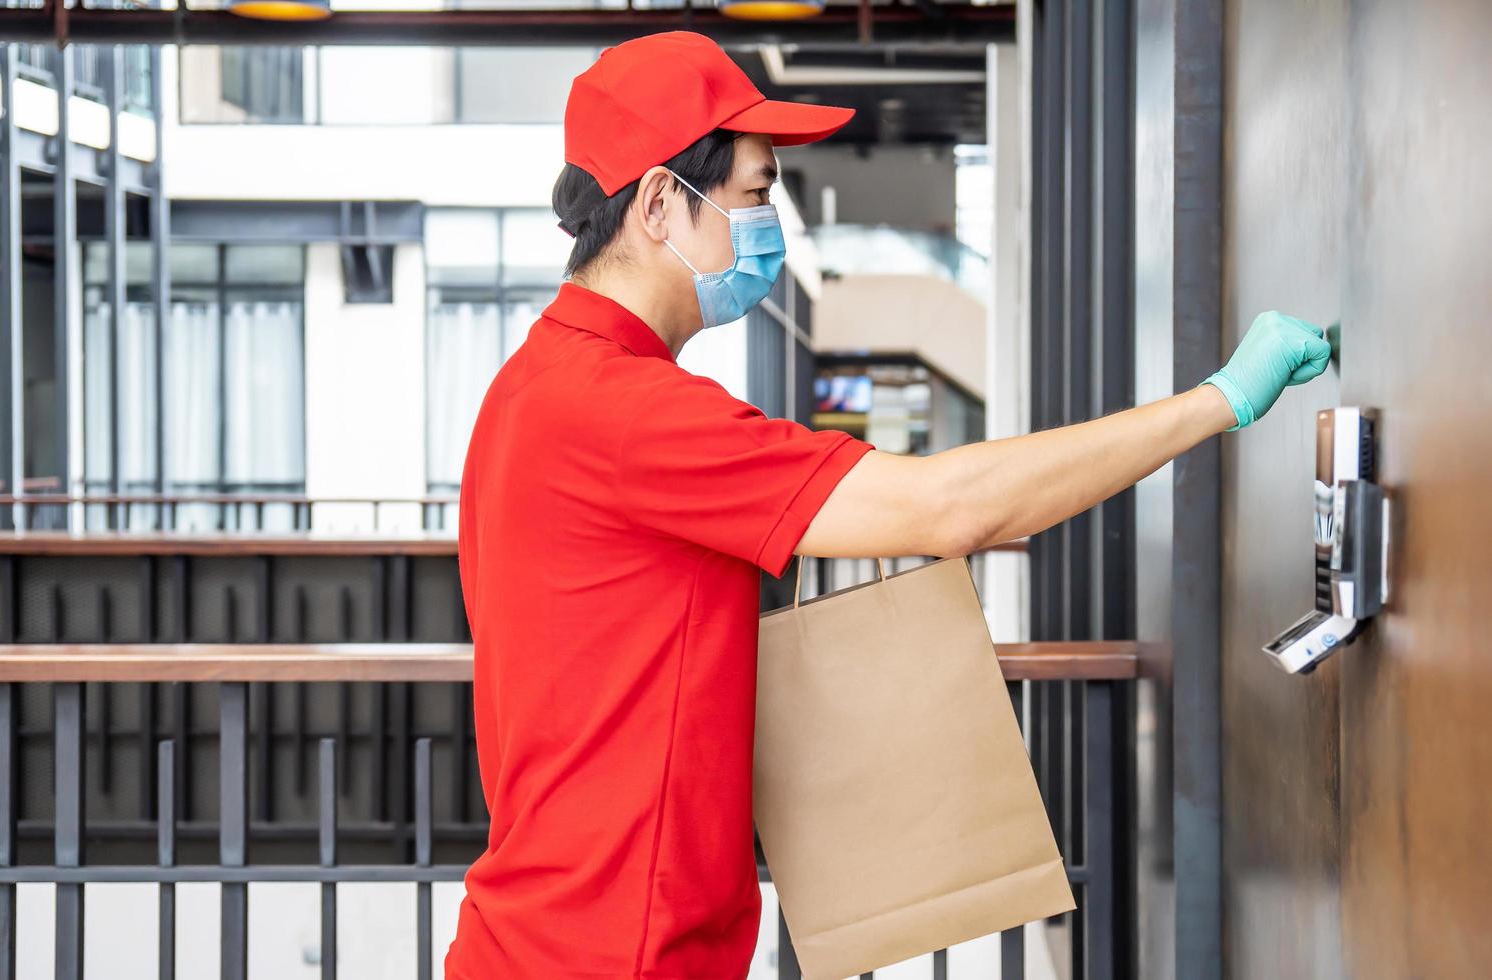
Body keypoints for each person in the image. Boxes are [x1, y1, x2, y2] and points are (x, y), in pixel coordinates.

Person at [444, 30, 1330, 980]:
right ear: (661, 202)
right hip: (608, 952)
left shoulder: (540, 385)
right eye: (755, 194)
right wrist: (1216, 402)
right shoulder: (619, 409)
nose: (767, 223)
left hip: (573, 935)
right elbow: (950, 510)